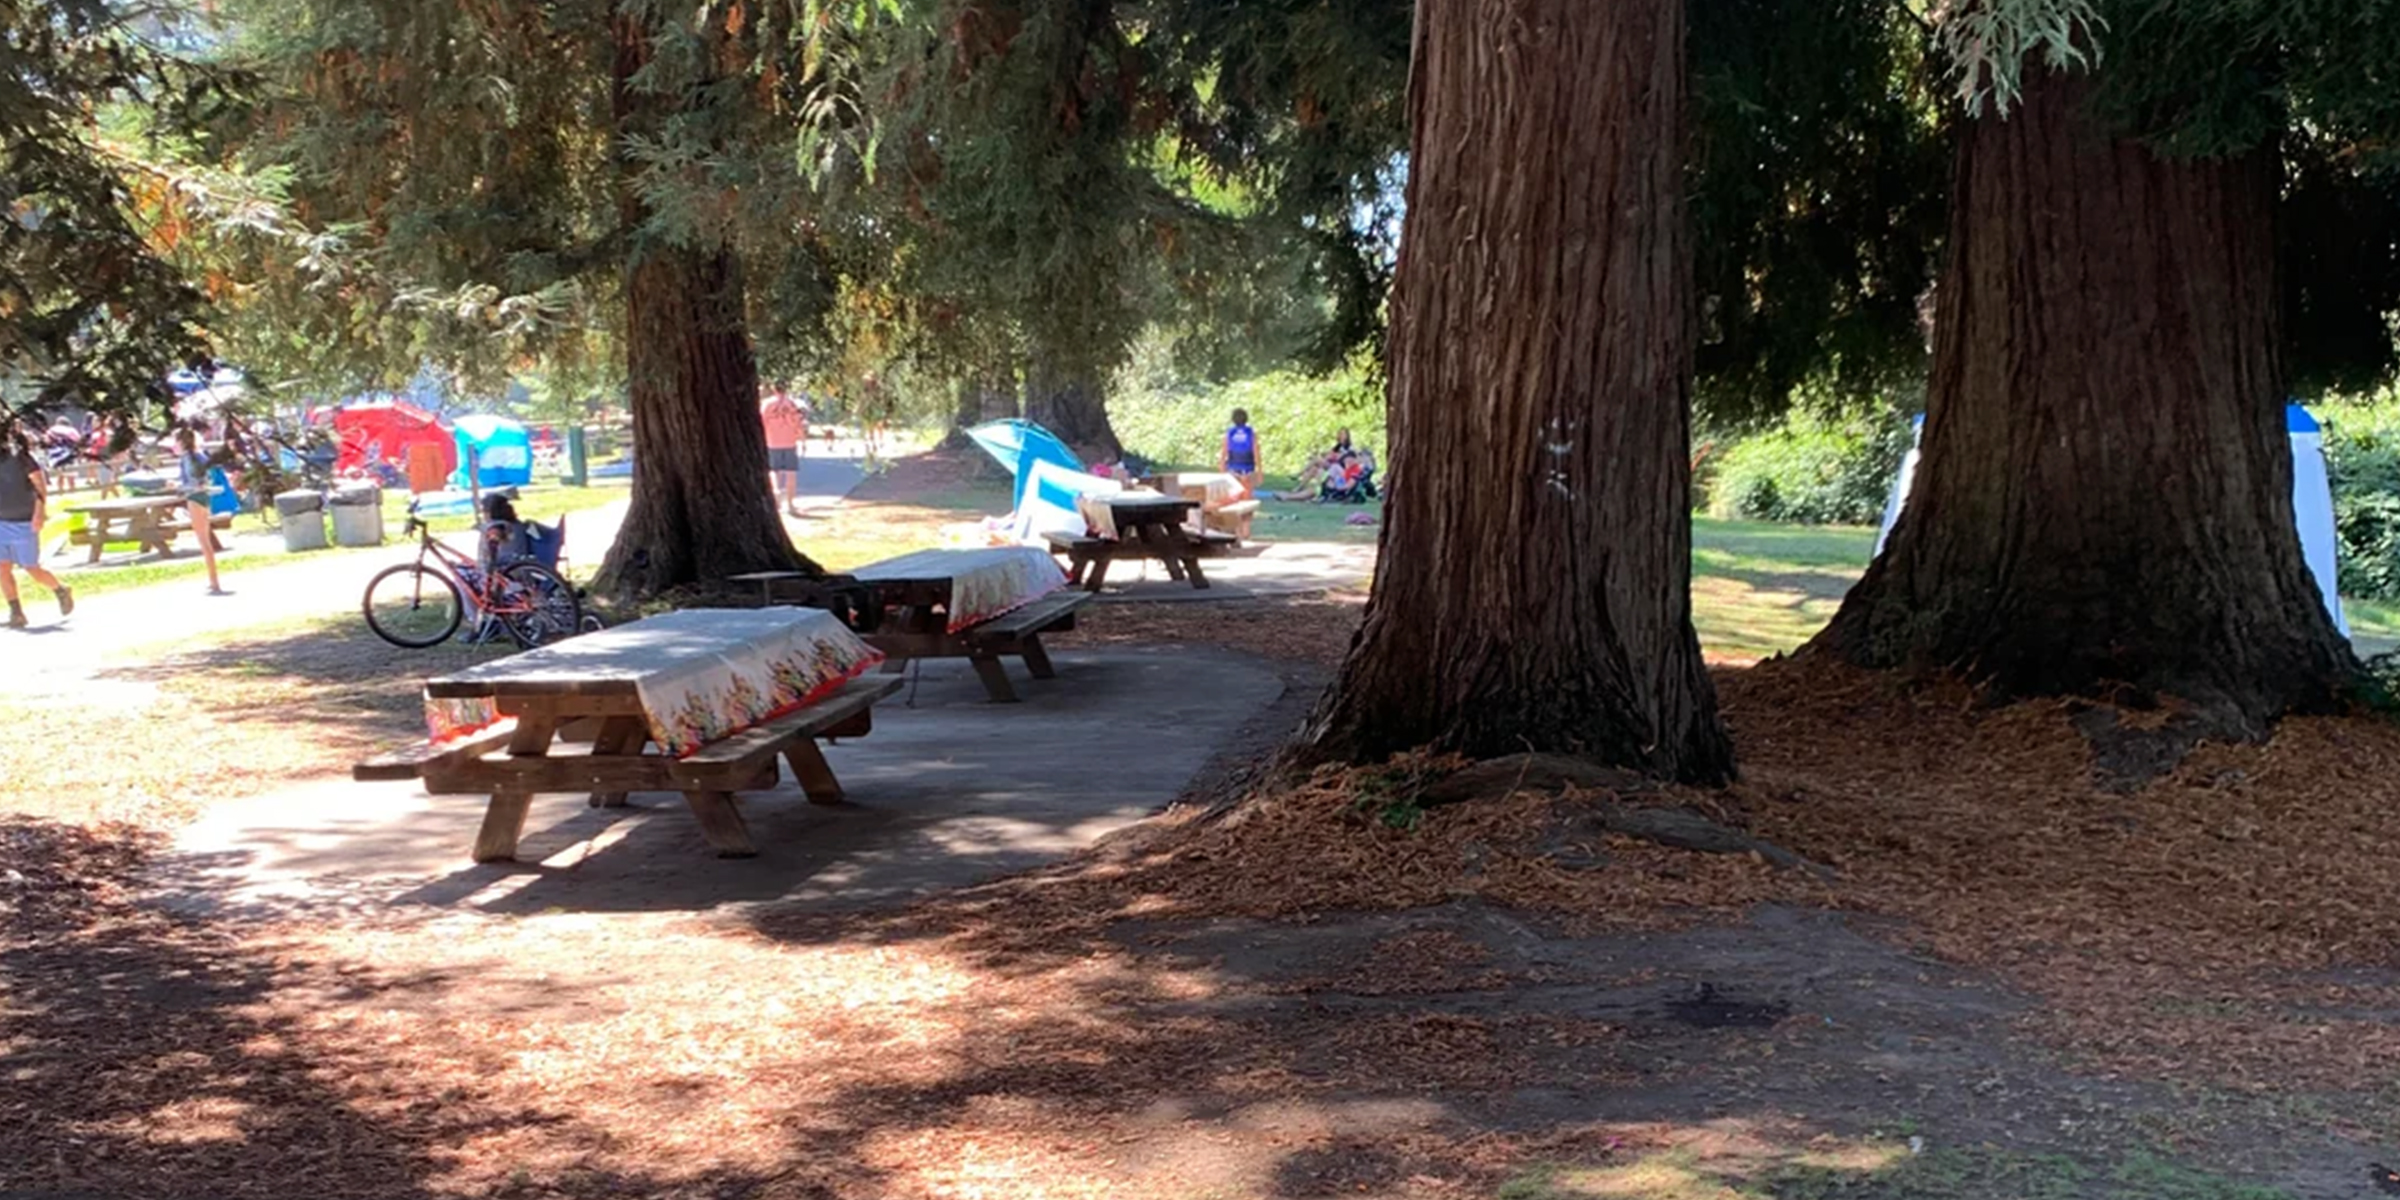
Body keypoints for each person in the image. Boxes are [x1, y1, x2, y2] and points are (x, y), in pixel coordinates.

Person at [0, 426, 73, 628]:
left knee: (31, 567)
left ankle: (60, 590)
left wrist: (39, 512)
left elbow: (40, 486)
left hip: (24, 521)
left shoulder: (21, 458)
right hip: (1, 522)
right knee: (2, 568)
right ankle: (16, 612)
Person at [174, 426, 226, 595]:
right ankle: (213, 580)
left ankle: (214, 581)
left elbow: (193, 482)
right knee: (206, 539)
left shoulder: (186, 459)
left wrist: (177, 486)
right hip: (205, 497)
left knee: (203, 541)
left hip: (194, 497)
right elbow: (208, 477)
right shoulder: (201, 455)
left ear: (181, 442)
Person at [760, 387, 806, 516]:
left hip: (772, 441)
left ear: (774, 389)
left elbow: (761, 422)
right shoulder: (792, 404)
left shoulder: (766, 404)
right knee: (791, 472)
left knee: (774, 470)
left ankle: (776, 492)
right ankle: (790, 504)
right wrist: (802, 439)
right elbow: (798, 422)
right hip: (790, 441)